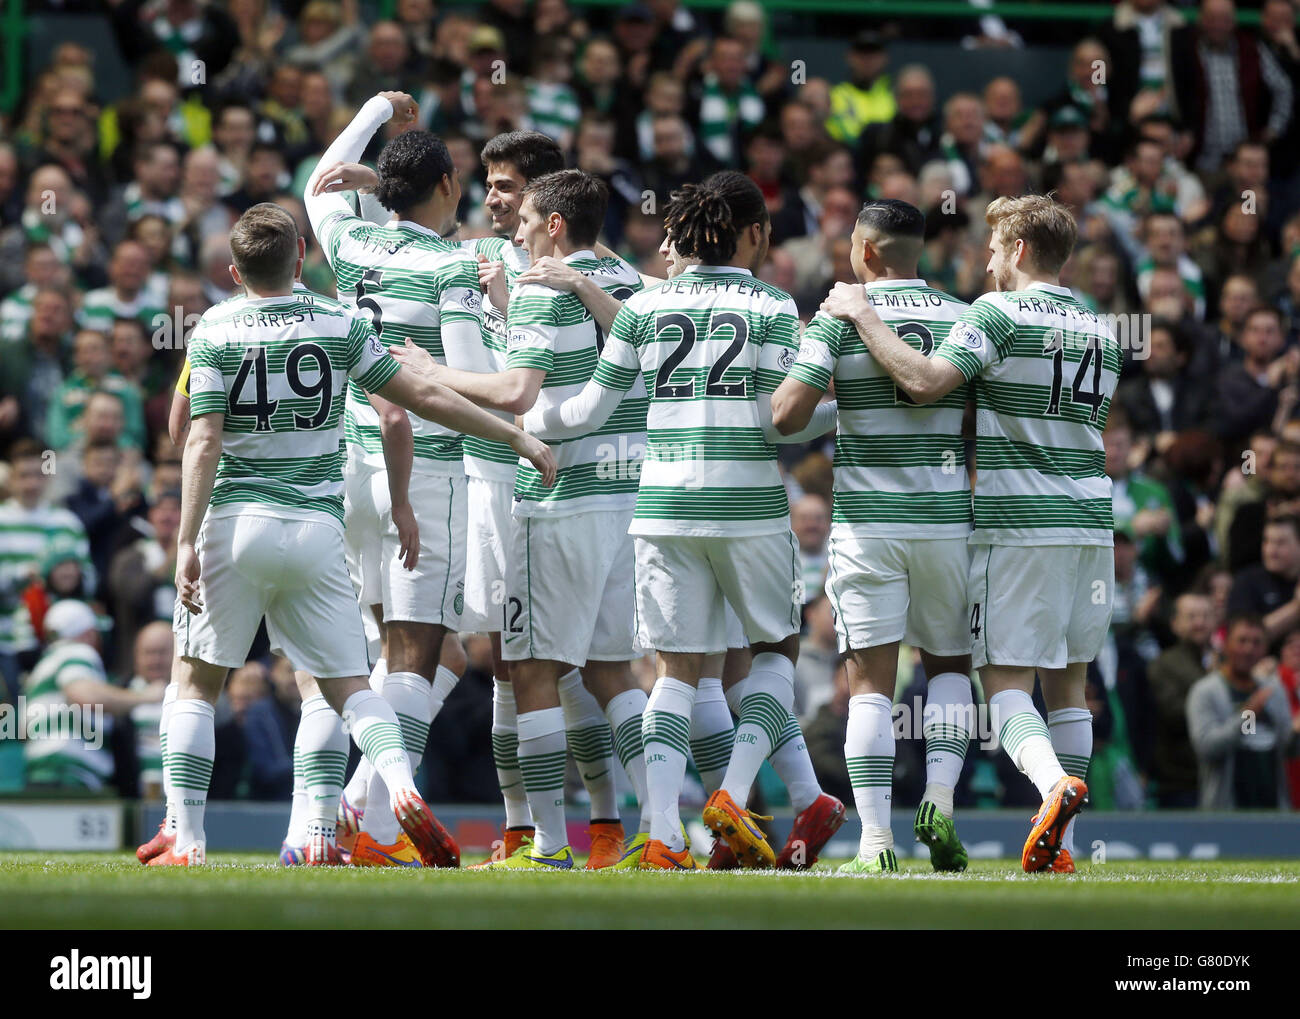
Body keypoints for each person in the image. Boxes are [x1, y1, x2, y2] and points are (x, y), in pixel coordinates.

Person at [160, 200, 555, 867]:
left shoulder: (214, 327)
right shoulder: (341, 320)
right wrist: (514, 433)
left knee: (195, 682)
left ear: (232, 269)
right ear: (303, 257)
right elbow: (415, 402)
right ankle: (396, 791)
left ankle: (187, 839)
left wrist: (184, 541)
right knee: (349, 685)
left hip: (234, 522)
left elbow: (191, 436)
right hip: (316, 526)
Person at [517, 172, 835, 869]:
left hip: (660, 504)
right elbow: (781, 425)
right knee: (775, 651)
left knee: (674, 672)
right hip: (746, 504)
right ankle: (735, 792)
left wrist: (521, 421)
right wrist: (847, 412)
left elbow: (590, 414)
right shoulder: (775, 305)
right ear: (752, 233)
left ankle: (661, 833)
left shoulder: (645, 306)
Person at [821, 194, 1120, 873]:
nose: (986, 264)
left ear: (1017, 251)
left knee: (1005, 683)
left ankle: (1052, 786)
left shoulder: (997, 312)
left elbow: (926, 382)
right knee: (1069, 685)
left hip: (1020, 523)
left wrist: (865, 311)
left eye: (992, 250)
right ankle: (1063, 846)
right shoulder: (1101, 327)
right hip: (1092, 521)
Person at [394, 169, 651, 870]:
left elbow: (516, 389)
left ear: (556, 224)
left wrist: (429, 372)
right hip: (627, 496)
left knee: (530, 668)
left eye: (528, 215)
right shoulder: (632, 284)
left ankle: (544, 843)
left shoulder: (546, 285)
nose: (520, 230)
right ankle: (660, 832)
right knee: (612, 670)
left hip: (558, 499)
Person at [304, 93, 503, 866]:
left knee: (390, 647)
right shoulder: (454, 262)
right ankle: (374, 827)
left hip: (354, 466)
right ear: (450, 185)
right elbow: (472, 376)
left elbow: (322, 179)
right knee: (417, 649)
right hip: (428, 472)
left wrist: (377, 108)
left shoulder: (352, 245)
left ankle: (341, 810)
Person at [773, 197, 976, 874]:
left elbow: (789, 413)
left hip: (868, 526)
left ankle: (876, 842)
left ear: (863, 251)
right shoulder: (963, 315)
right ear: (920, 251)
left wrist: (842, 397)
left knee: (868, 682)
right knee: (949, 665)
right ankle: (940, 805)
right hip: (948, 522)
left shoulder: (839, 315)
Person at [24, 599, 164, 790]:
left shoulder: (42, 668)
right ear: (89, 634)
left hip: (42, 775)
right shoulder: (77, 652)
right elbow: (85, 696)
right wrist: (147, 696)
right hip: (69, 777)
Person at [1187, 613, 1300, 808]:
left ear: (1265, 648)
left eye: (1257, 642)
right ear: (1225, 644)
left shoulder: (1273, 689)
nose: (1249, 649)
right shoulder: (1205, 691)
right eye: (1242, 641)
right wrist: (1249, 714)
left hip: (1272, 811)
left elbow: (1287, 749)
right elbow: (1206, 748)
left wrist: (1296, 732)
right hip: (1227, 813)